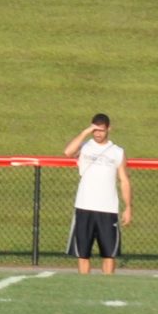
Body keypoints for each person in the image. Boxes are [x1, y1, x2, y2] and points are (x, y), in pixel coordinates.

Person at [64, 114, 131, 274]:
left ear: (108, 129)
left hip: (108, 208)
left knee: (109, 253)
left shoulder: (117, 152)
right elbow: (68, 152)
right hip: (84, 206)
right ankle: (84, 285)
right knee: (83, 253)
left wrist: (128, 207)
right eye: (95, 130)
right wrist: (85, 132)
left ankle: (107, 285)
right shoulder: (85, 146)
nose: (98, 134)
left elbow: (124, 180)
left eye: (101, 130)